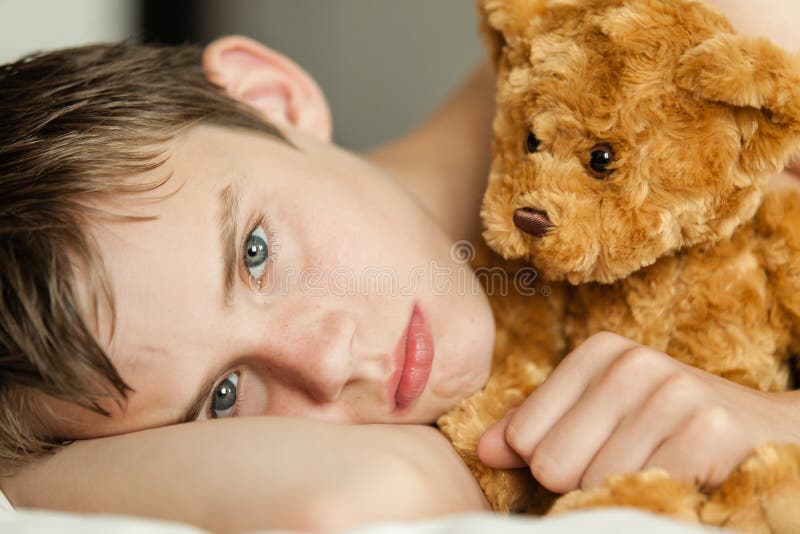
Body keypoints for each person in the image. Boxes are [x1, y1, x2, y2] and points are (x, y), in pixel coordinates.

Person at [1, 1, 799, 532]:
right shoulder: (430, 439)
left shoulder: (700, 43)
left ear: (270, 98)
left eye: (255, 252)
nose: (327, 360)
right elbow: (367, 496)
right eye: (224, 397)